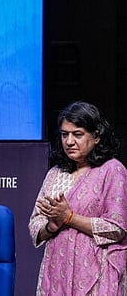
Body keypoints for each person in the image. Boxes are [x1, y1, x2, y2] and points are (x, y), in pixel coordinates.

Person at [28, 101, 127, 295]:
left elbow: (117, 228)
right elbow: (35, 223)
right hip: (56, 272)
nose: (69, 141)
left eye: (78, 134)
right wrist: (51, 227)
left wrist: (69, 217)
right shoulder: (56, 174)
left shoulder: (112, 171)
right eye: (65, 135)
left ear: (96, 136)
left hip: (96, 274)